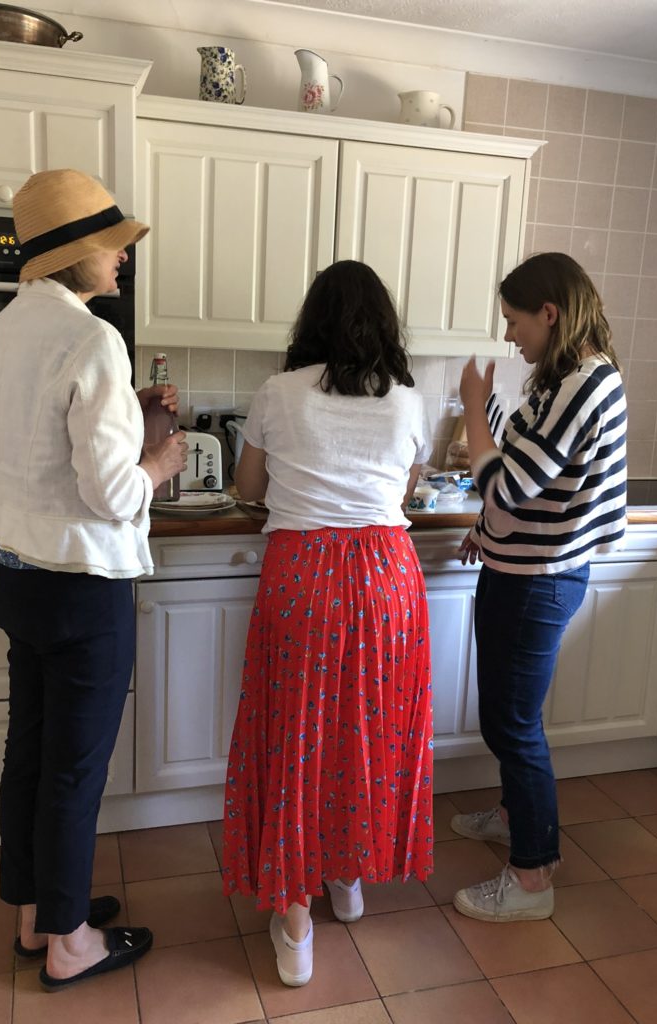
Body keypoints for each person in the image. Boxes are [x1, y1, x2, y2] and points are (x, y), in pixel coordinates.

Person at [0, 168, 188, 991]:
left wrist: (127, 407)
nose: (122, 261)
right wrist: (160, 459)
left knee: (31, 749)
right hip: (79, 585)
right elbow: (111, 492)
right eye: (113, 246)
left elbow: (41, 431)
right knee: (74, 767)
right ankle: (70, 945)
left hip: (13, 571)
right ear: (75, 255)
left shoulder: (8, 328)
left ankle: (35, 915)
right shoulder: (93, 337)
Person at [221, 260, 434, 987]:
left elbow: (250, 486)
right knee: (366, 732)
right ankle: (348, 875)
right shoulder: (408, 399)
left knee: (295, 738)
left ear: (309, 321)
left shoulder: (280, 392)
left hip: (304, 576)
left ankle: (295, 920)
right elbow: (406, 486)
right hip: (387, 577)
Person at [452, 251, 627, 922]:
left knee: (515, 724)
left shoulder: (585, 384)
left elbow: (506, 481)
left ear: (549, 313)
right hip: (517, 568)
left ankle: (533, 876)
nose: (510, 335)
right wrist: (486, 530)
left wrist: (473, 407)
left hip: (539, 581)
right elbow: (523, 481)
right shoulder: (559, 382)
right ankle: (512, 815)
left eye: (515, 321)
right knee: (505, 715)